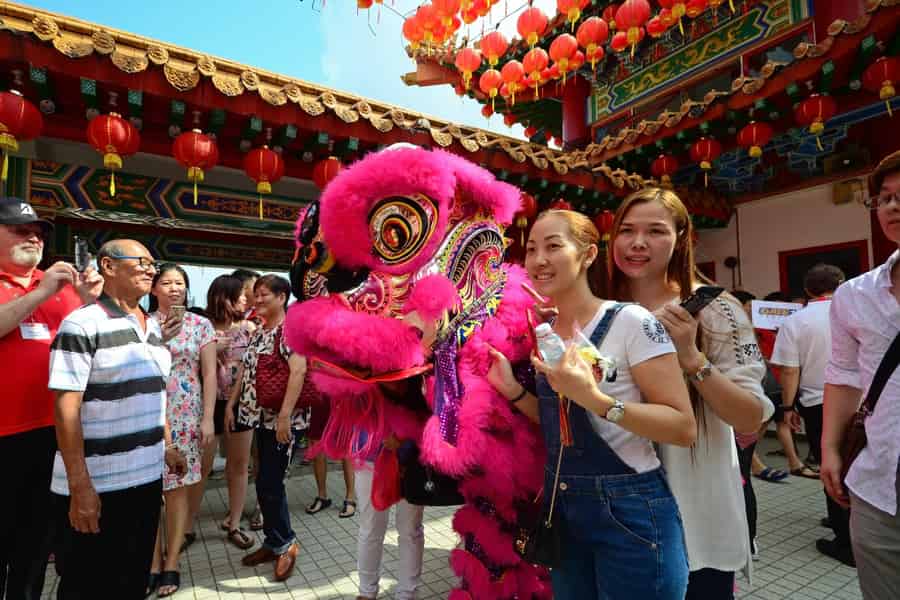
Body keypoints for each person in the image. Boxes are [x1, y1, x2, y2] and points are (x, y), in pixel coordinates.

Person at [486, 209, 696, 599]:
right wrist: (513, 391)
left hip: (630, 511)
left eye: (553, 246)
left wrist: (598, 400)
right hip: (563, 508)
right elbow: (562, 422)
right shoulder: (544, 333)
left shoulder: (631, 321)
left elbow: (683, 427)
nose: (539, 260)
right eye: (531, 249)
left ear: (588, 254)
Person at [607, 188, 774, 599]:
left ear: (682, 237)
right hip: (614, 512)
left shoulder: (717, 309)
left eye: (655, 231)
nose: (638, 243)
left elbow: (750, 416)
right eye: (626, 230)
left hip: (695, 513)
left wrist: (691, 357)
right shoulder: (599, 307)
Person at [48, 239, 187, 599]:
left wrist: (167, 447)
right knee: (86, 585)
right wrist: (80, 487)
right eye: (142, 262)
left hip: (145, 480)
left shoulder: (152, 327)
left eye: (153, 264)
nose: (151, 270)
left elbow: (154, 396)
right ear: (108, 266)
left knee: (132, 581)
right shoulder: (81, 325)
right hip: (98, 486)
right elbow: (66, 409)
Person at [0, 198, 102, 600]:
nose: (34, 239)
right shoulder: (49, 286)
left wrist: (90, 301)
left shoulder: (63, 286)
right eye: (20, 230)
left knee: (35, 546)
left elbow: (96, 346)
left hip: (55, 436)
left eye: (39, 233)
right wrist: (42, 292)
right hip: (5, 437)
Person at [821, 150, 900, 599]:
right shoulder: (855, 295)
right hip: (878, 484)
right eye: (884, 198)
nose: (892, 206)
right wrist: (830, 449)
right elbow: (844, 375)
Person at [771, 264, 851, 565]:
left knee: (830, 464)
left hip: (819, 403)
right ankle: (851, 521)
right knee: (858, 463)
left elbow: (790, 370)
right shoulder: (855, 311)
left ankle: (845, 541)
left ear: (807, 290)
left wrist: (788, 407)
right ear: (841, 284)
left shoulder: (796, 321)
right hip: (863, 400)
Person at [228, 275, 306, 582]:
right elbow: (246, 370)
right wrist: (232, 405)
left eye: (263, 295)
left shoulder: (291, 331)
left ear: (282, 297)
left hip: (281, 422)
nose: (257, 300)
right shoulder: (260, 330)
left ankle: (286, 543)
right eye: (255, 295)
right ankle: (274, 542)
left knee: (271, 483)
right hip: (259, 418)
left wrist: (285, 416)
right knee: (263, 482)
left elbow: (298, 371)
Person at [147, 264, 217, 596]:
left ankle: (171, 561)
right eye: (167, 282)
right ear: (153, 289)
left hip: (186, 415)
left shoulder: (201, 325)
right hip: (148, 412)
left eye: (180, 283)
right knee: (149, 491)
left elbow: (210, 374)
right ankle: (152, 562)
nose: (175, 288)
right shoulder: (142, 322)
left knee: (177, 489)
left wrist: (208, 418)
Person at [206, 274, 257, 550]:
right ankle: (186, 526)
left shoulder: (248, 328)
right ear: (222, 297)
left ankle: (235, 522)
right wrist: (213, 350)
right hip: (206, 404)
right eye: (239, 296)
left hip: (240, 403)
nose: (244, 300)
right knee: (202, 465)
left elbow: (252, 368)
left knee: (238, 464)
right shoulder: (202, 327)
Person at [305, 389, 356, 519]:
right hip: (318, 393)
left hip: (343, 394)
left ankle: (350, 497)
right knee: (316, 443)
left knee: (346, 443)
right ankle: (322, 496)